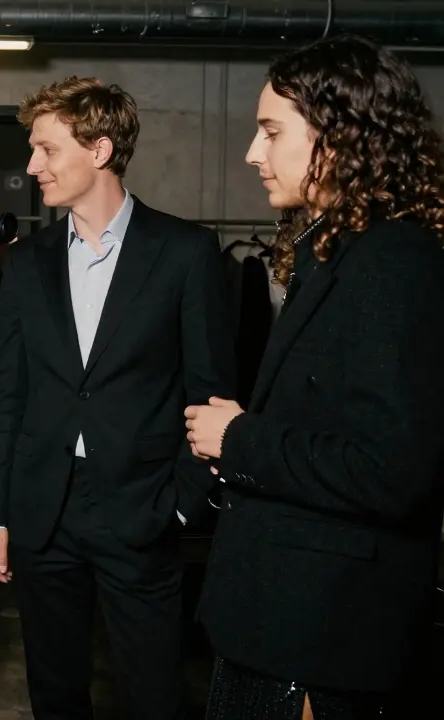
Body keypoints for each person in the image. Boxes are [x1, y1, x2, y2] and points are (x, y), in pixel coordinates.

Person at [186, 35, 444, 719]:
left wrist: (240, 439)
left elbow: (395, 472)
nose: (253, 153)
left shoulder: (393, 262)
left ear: (340, 134)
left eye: (272, 132)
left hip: (320, 637)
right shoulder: (343, 251)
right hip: (284, 621)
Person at [0, 76, 236, 719]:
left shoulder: (185, 252)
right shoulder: (27, 262)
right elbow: (6, 395)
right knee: (55, 695)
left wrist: (181, 506)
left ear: (99, 149)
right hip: (43, 511)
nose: (32, 166)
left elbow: (212, 393)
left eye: (47, 149)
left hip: (143, 508)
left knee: (152, 695)